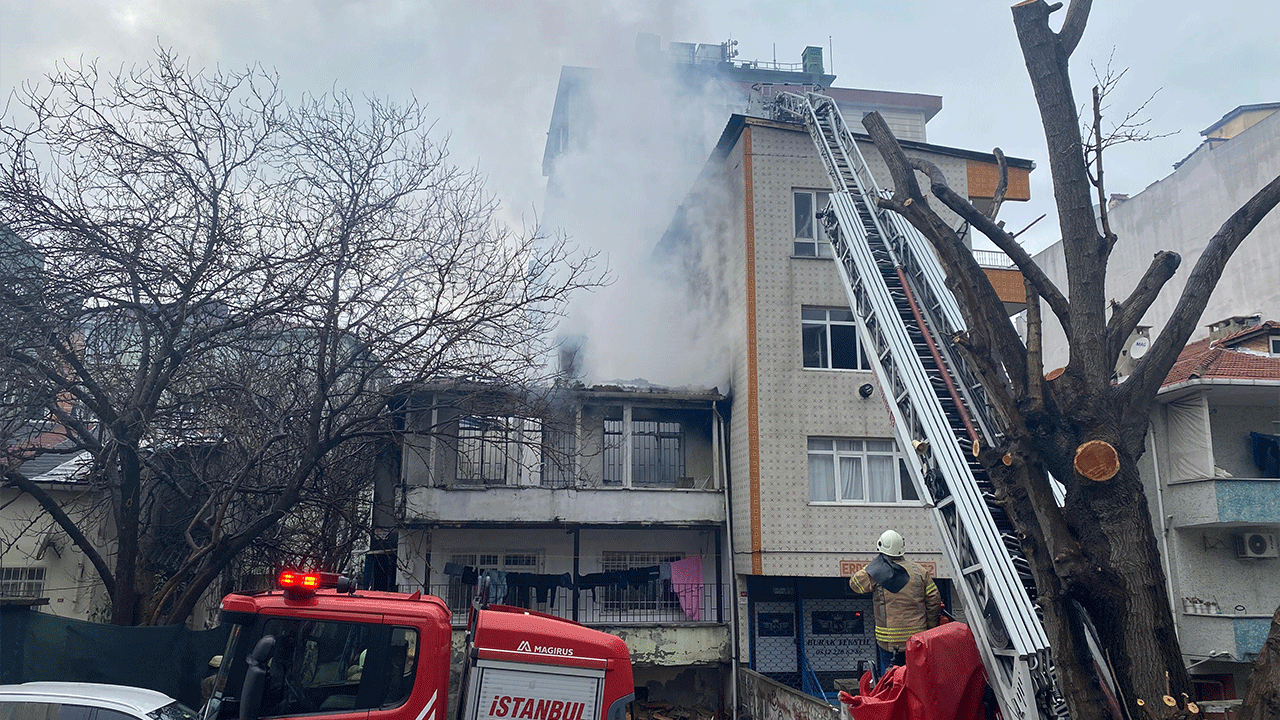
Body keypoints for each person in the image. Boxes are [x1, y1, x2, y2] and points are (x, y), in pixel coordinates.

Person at [848, 529, 941, 676]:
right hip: (916, 640)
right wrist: (930, 627)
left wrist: (874, 566)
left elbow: (854, 584)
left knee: (891, 679)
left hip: (888, 643)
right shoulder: (919, 571)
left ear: (881, 548)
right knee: (916, 677)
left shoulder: (876, 573)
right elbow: (934, 599)